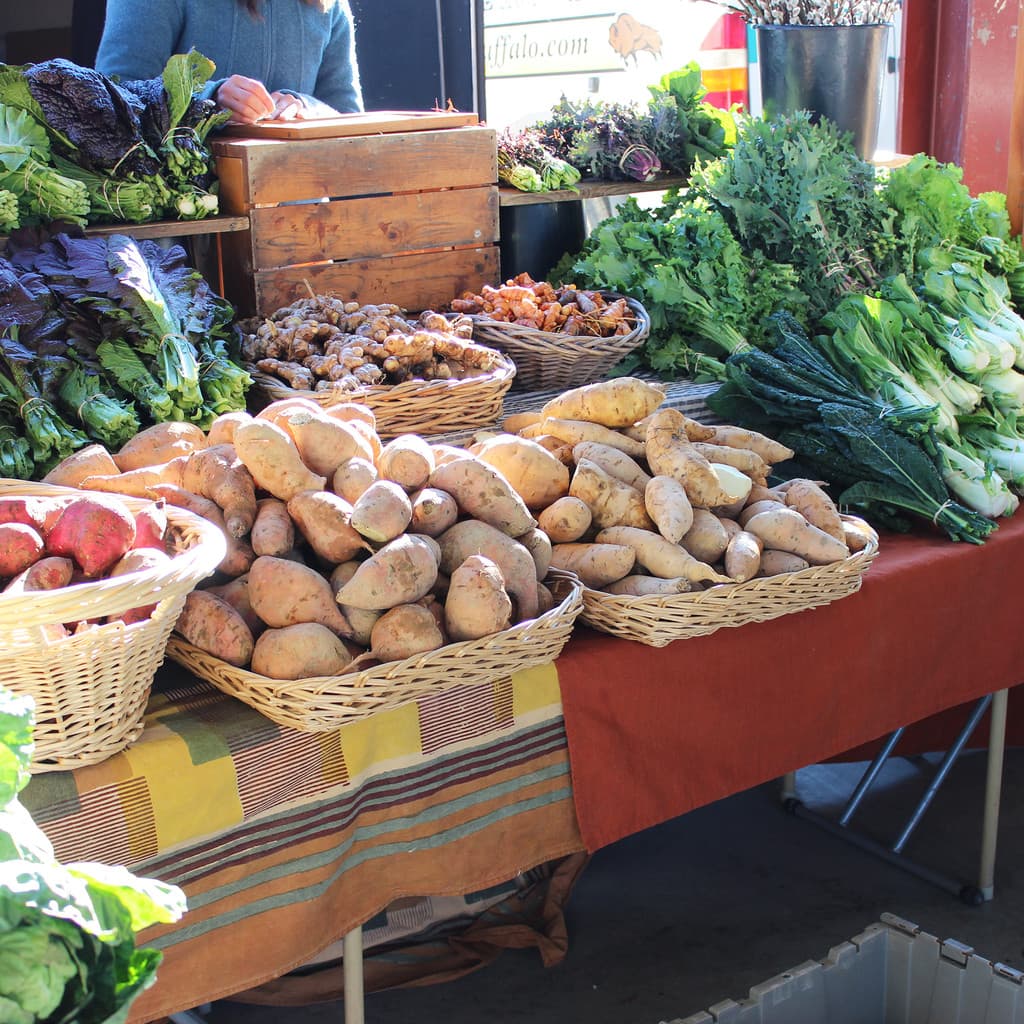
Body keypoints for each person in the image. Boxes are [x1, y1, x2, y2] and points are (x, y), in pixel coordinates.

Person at [95, 0, 363, 123]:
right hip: (190, 220)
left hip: (305, 221)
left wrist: (306, 108)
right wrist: (210, 100)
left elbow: (353, 123)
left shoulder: (330, 5)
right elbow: (109, 98)